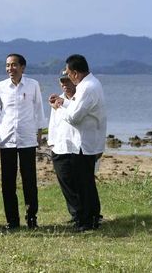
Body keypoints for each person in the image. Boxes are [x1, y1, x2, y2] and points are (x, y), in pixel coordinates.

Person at [49, 54, 107, 231]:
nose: (67, 78)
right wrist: (63, 103)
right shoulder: (88, 85)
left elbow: (74, 117)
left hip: (84, 143)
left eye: (68, 73)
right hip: (82, 142)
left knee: (84, 184)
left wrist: (58, 107)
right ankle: (87, 218)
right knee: (84, 183)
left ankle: (88, 220)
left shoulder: (87, 87)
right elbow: (75, 110)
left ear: (74, 73)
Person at [0, 53, 46, 230]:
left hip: (27, 138)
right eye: (7, 65)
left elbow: (39, 110)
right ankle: (12, 221)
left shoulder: (32, 85)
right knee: (8, 182)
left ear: (22, 67)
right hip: (7, 139)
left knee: (29, 180)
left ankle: (31, 218)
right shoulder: (0, 87)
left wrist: (39, 133)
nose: (10, 69)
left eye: (14, 65)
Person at [47, 70, 80, 223]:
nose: (64, 84)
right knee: (65, 183)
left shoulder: (80, 98)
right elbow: (53, 123)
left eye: (67, 81)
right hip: (59, 146)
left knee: (80, 182)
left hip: (77, 147)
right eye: (62, 81)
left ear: (74, 79)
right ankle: (75, 214)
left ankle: (88, 213)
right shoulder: (57, 100)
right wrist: (51, 143)